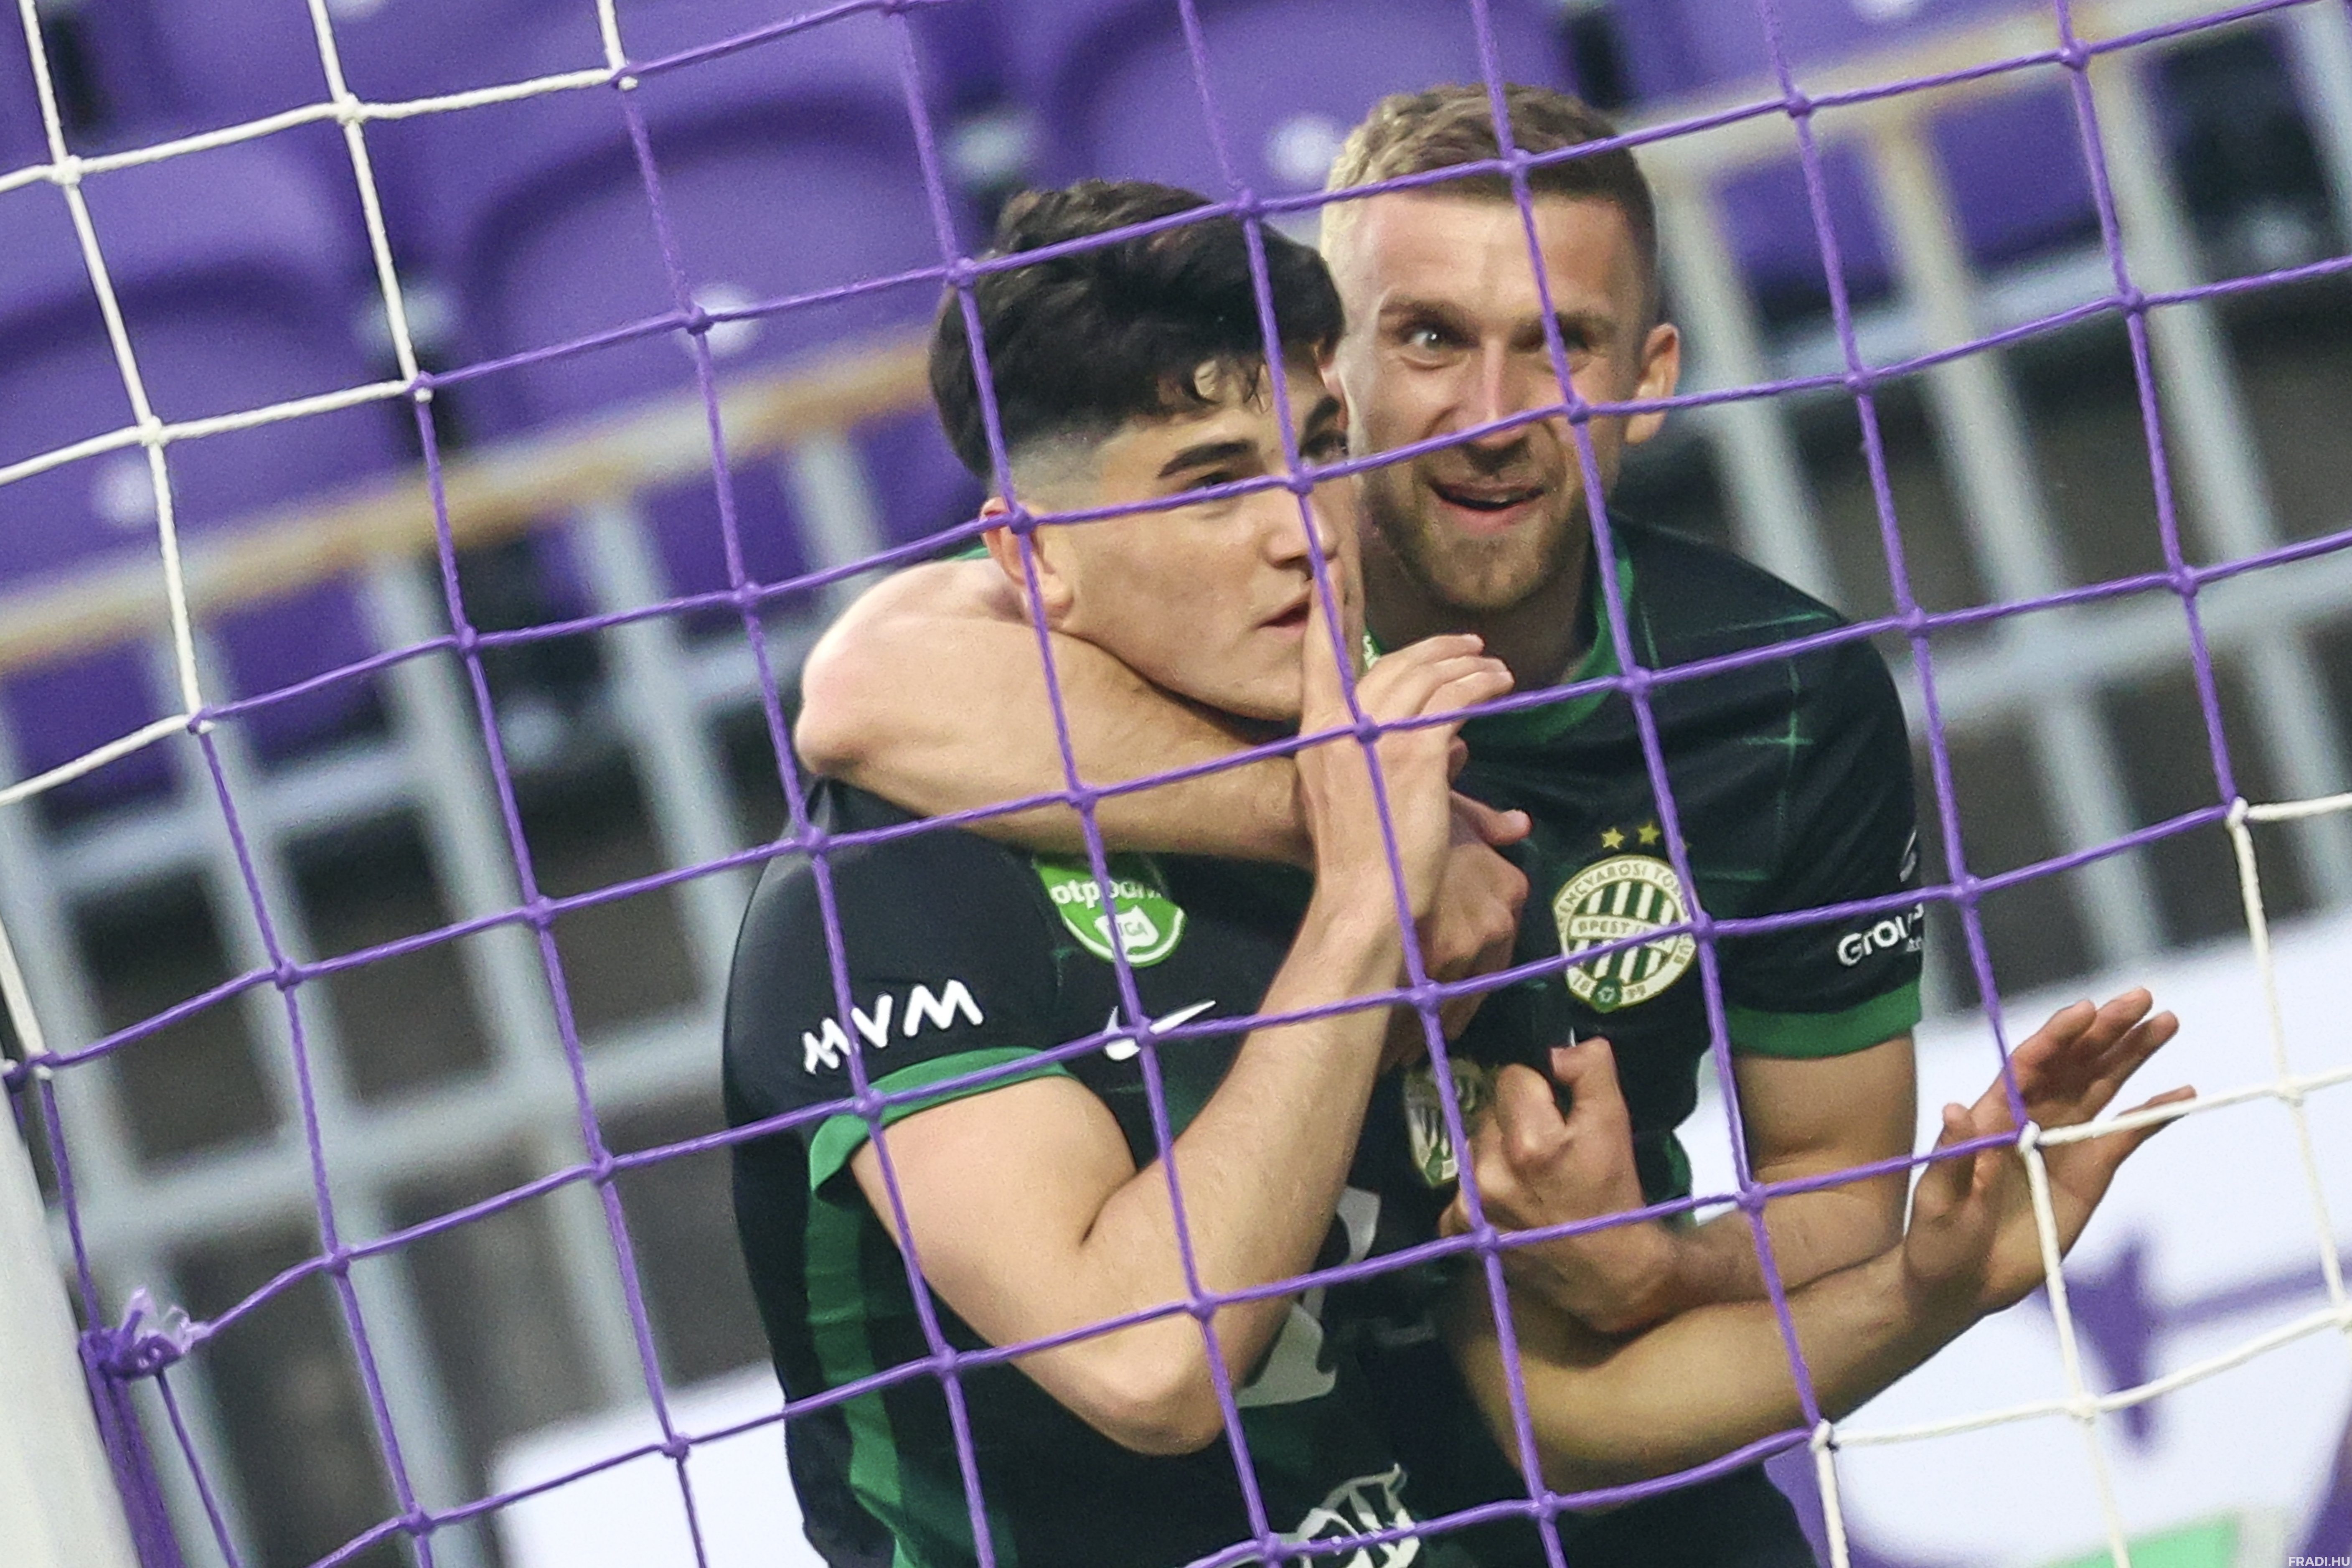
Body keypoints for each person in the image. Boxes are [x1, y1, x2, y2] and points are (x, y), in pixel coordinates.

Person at [727, 178, 2191, 1568]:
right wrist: (1362, 898)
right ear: (1031, 558)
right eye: (1214, 484)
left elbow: (1557, 1416)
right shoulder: (888, 889)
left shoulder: (1454, 809)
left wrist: (1927, 1288)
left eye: (1318, 449)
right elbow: (1151, 1361)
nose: (1305, 532)